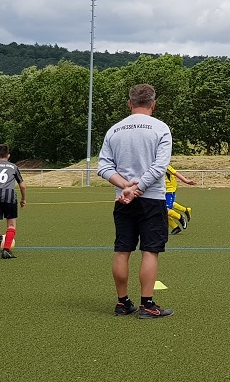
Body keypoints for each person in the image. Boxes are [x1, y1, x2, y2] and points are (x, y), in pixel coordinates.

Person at [96, 84, 174, 319]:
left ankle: (122, 303)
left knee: (122, 249)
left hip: (123, 200)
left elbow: (103, 167)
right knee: (150, 250)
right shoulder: (160, 128)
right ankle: (147, 305)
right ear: (153, 104)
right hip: (151, 198)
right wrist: (137, 189)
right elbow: (160, 167)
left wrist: (125, 187)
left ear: (129, 103)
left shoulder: (114, 130)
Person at [165, 165, 197, 235]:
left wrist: (186, 181)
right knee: (161, 211)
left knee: (166, 210)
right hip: (159, 191)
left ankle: (180, 217)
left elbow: (175, 173)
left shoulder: (164, 165)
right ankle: (175, 227)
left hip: (169, 190)